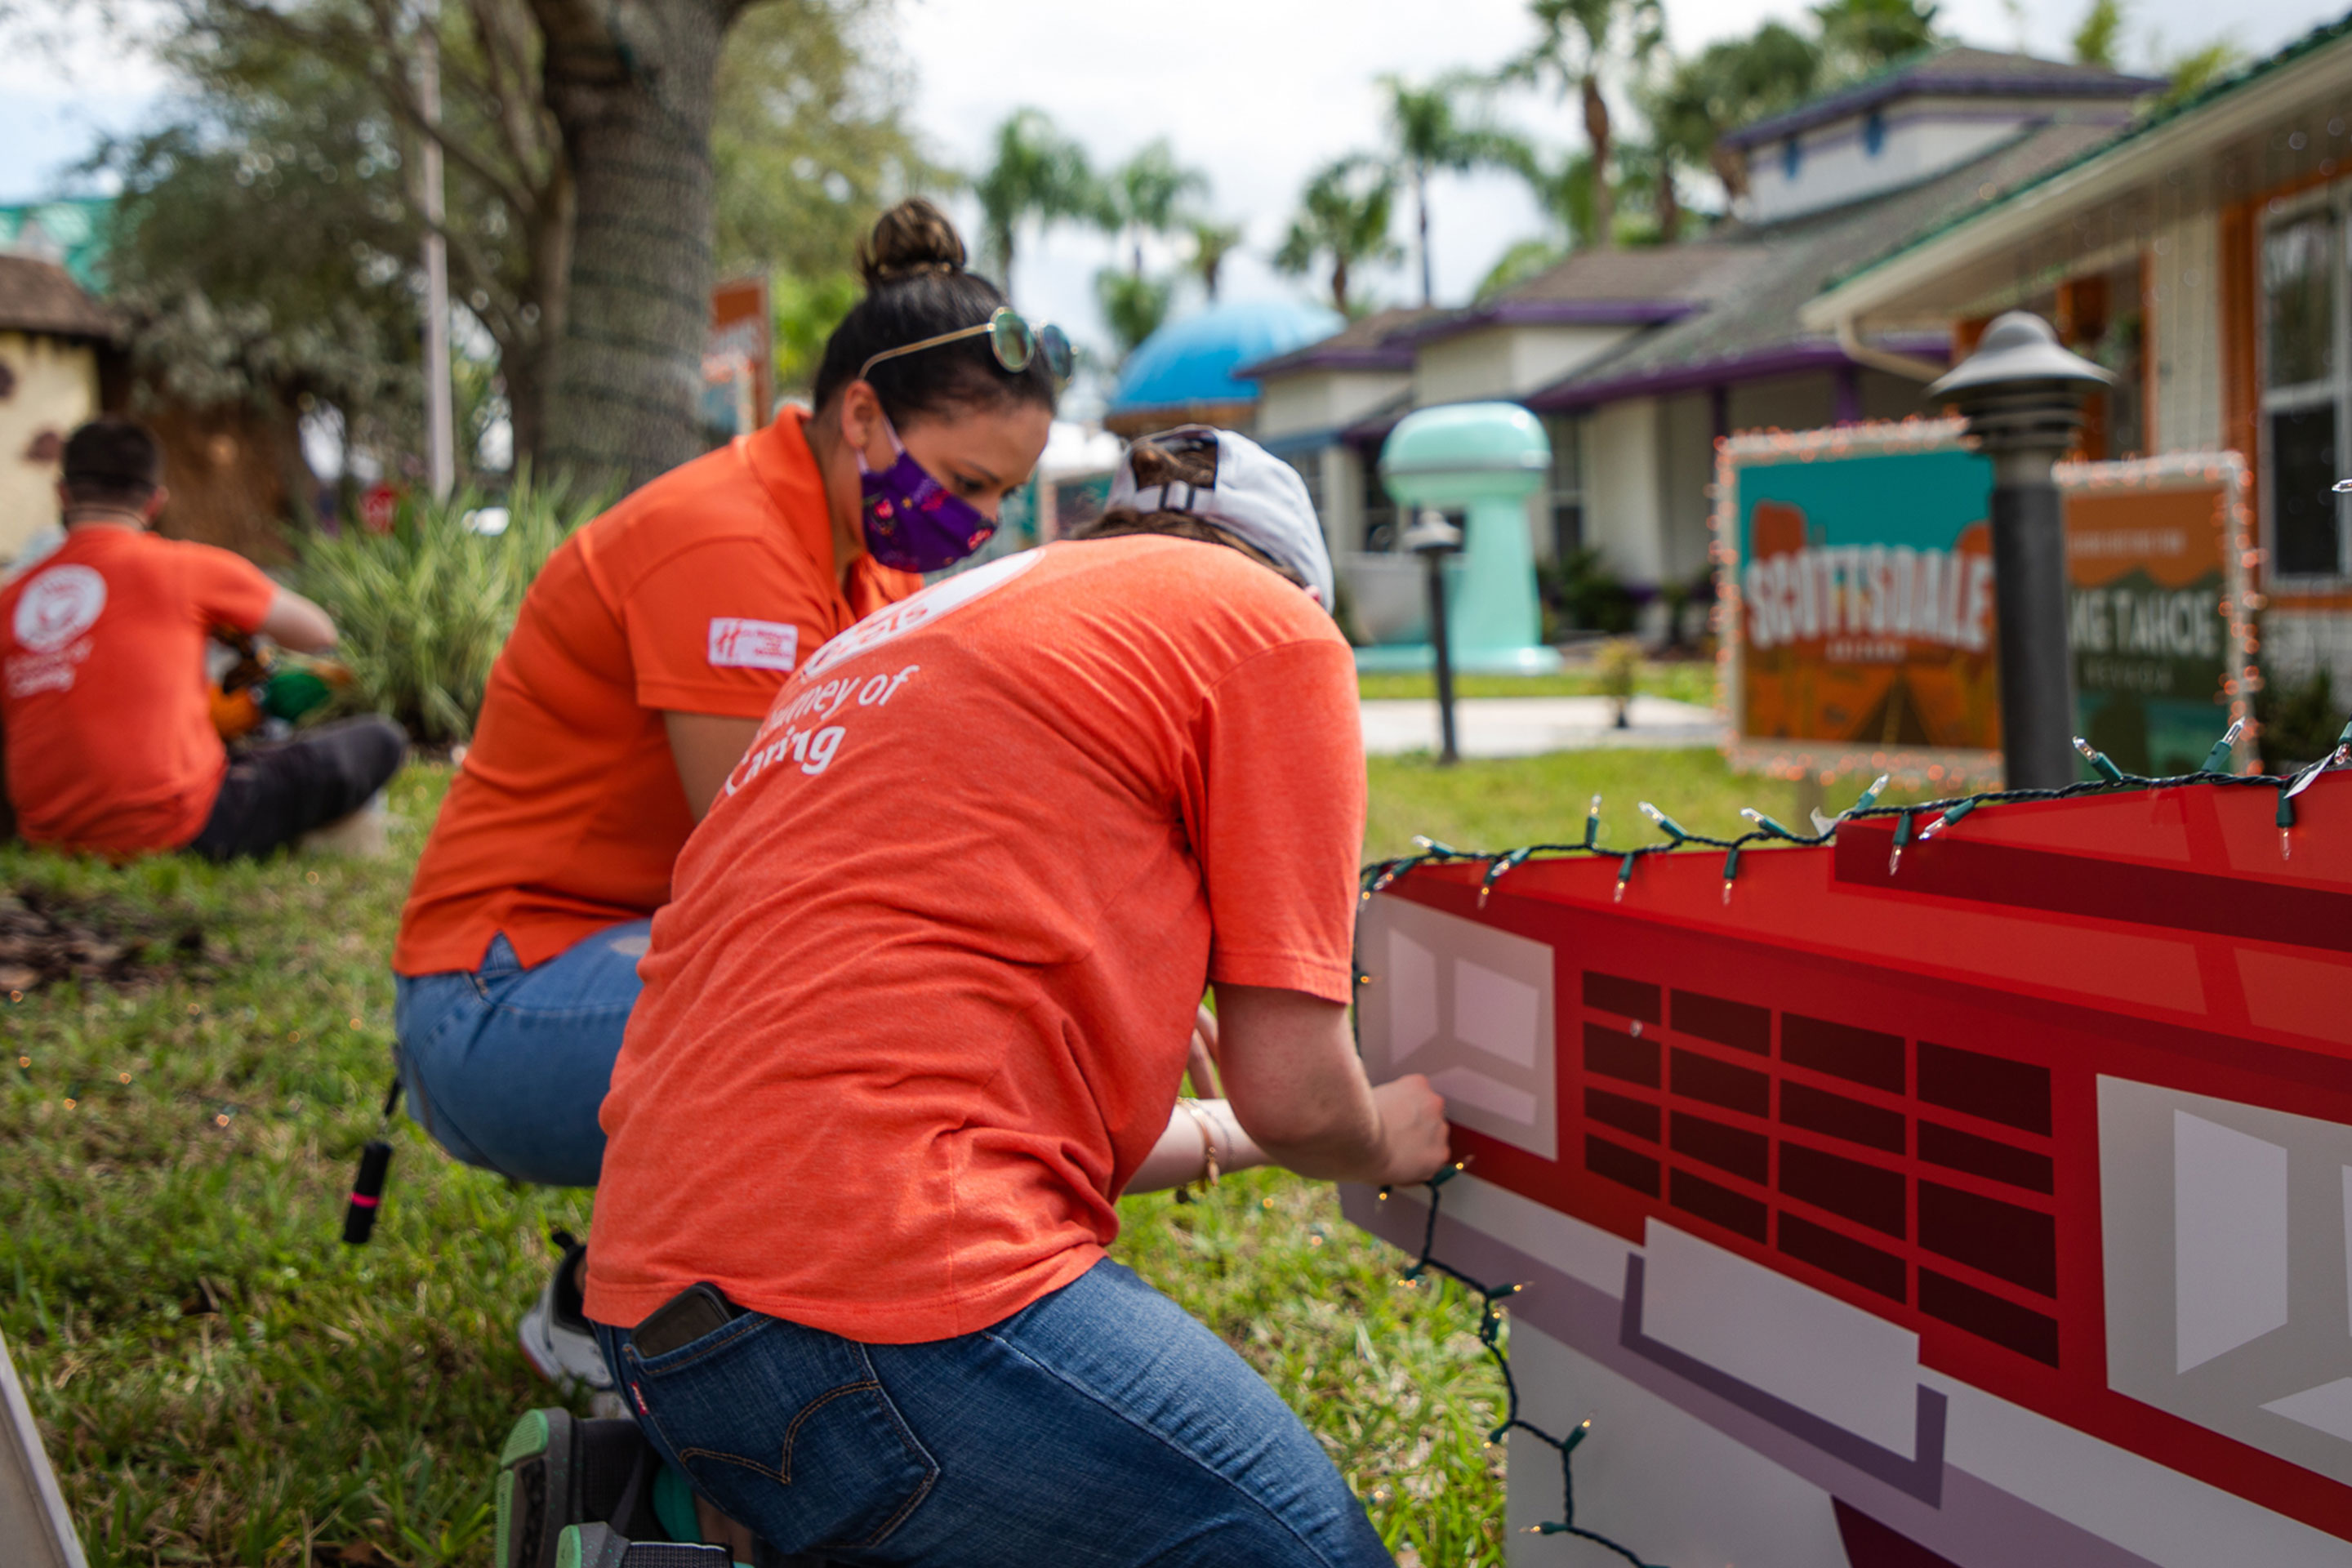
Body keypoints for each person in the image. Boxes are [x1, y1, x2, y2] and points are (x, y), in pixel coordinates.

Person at [570, 427, 1450, 1567]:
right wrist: (1383, 1137)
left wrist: (1203, 1113)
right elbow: (1294, 1091)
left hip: (654, 1327)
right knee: (1306, 1547)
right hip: (871, 1331)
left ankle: (710, 1527)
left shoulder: (910, 635)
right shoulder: (1274, 629)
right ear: (1294, 575)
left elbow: (905, 1087)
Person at [389, 198, 1071, 1393]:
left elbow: (931, 811)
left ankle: (710, 1299)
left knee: (901, 991)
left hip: (615, 972)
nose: (979, 525)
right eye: (967, 484)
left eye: (1000, 496)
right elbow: (782, 866)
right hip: (493, 1006)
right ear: (863, 415)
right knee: (861, 1008)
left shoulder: (859, 560)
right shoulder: (726, 546)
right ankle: (627, 1317)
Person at [0, 418, 404, 862]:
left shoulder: (11, 597)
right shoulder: (187, 568)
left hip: (43, 834)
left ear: (62, 493)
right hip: (187, 826)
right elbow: (318, 633)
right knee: (380, 739)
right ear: (156, 501)